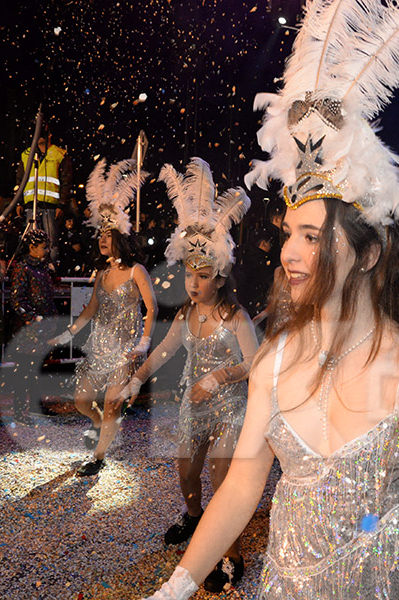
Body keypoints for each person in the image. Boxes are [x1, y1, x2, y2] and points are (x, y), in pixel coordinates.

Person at [145, 1, 399, 597]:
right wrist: (175, 586)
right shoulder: (272, 361)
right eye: (287, 235)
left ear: (369, 254)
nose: (288, 255)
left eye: (312, 237)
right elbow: (242, 491)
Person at [125, 158, 257, 593]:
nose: (193, 282)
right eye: (188, 273)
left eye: (203, 276)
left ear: (219, 278)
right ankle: (195, 518)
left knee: (222, 479)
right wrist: (135, 380)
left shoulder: (236, 316)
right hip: (192, 406)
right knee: (185, 472)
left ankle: (230, 552)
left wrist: (219, 378)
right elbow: (163, 351)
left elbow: (255, 364)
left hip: (230, 410)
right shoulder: (184, 314)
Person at [49, 158, 155, 477]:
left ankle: (98, 457)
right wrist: (67, 335)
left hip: (125, 349)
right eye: (100, 235)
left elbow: (152, 308)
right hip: (98, 346)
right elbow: (90, 309)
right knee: (82, 401)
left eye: (107, 235)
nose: (101, 239)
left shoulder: (137, 271)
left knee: (112, 404)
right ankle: (99, 425)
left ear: (120, 237)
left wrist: (144, 342)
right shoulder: (101, 272)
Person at [7, 228, 59, 419]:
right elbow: (17, 300)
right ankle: (20, 410)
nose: (47, 251)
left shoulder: (43, 268)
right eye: (44, 247)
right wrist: (32, 319)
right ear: (32, 247)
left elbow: (47, 297)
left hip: (42, 327)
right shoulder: (23, 268)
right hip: (27, 330)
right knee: (23, 370)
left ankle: (36, 405)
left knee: (38, 368)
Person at [16, 120, 72, 257]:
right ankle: (34, 270)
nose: (38, 137)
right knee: (32, 242)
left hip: (51, 207)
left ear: (49, 135)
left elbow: (67, 182)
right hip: (31, 206)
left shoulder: (60, 154)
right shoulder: (26, 154)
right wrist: (19, 202)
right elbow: (20, 181)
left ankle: (49, 271)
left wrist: (62, 204)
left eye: (41, 134)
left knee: (50, 242)